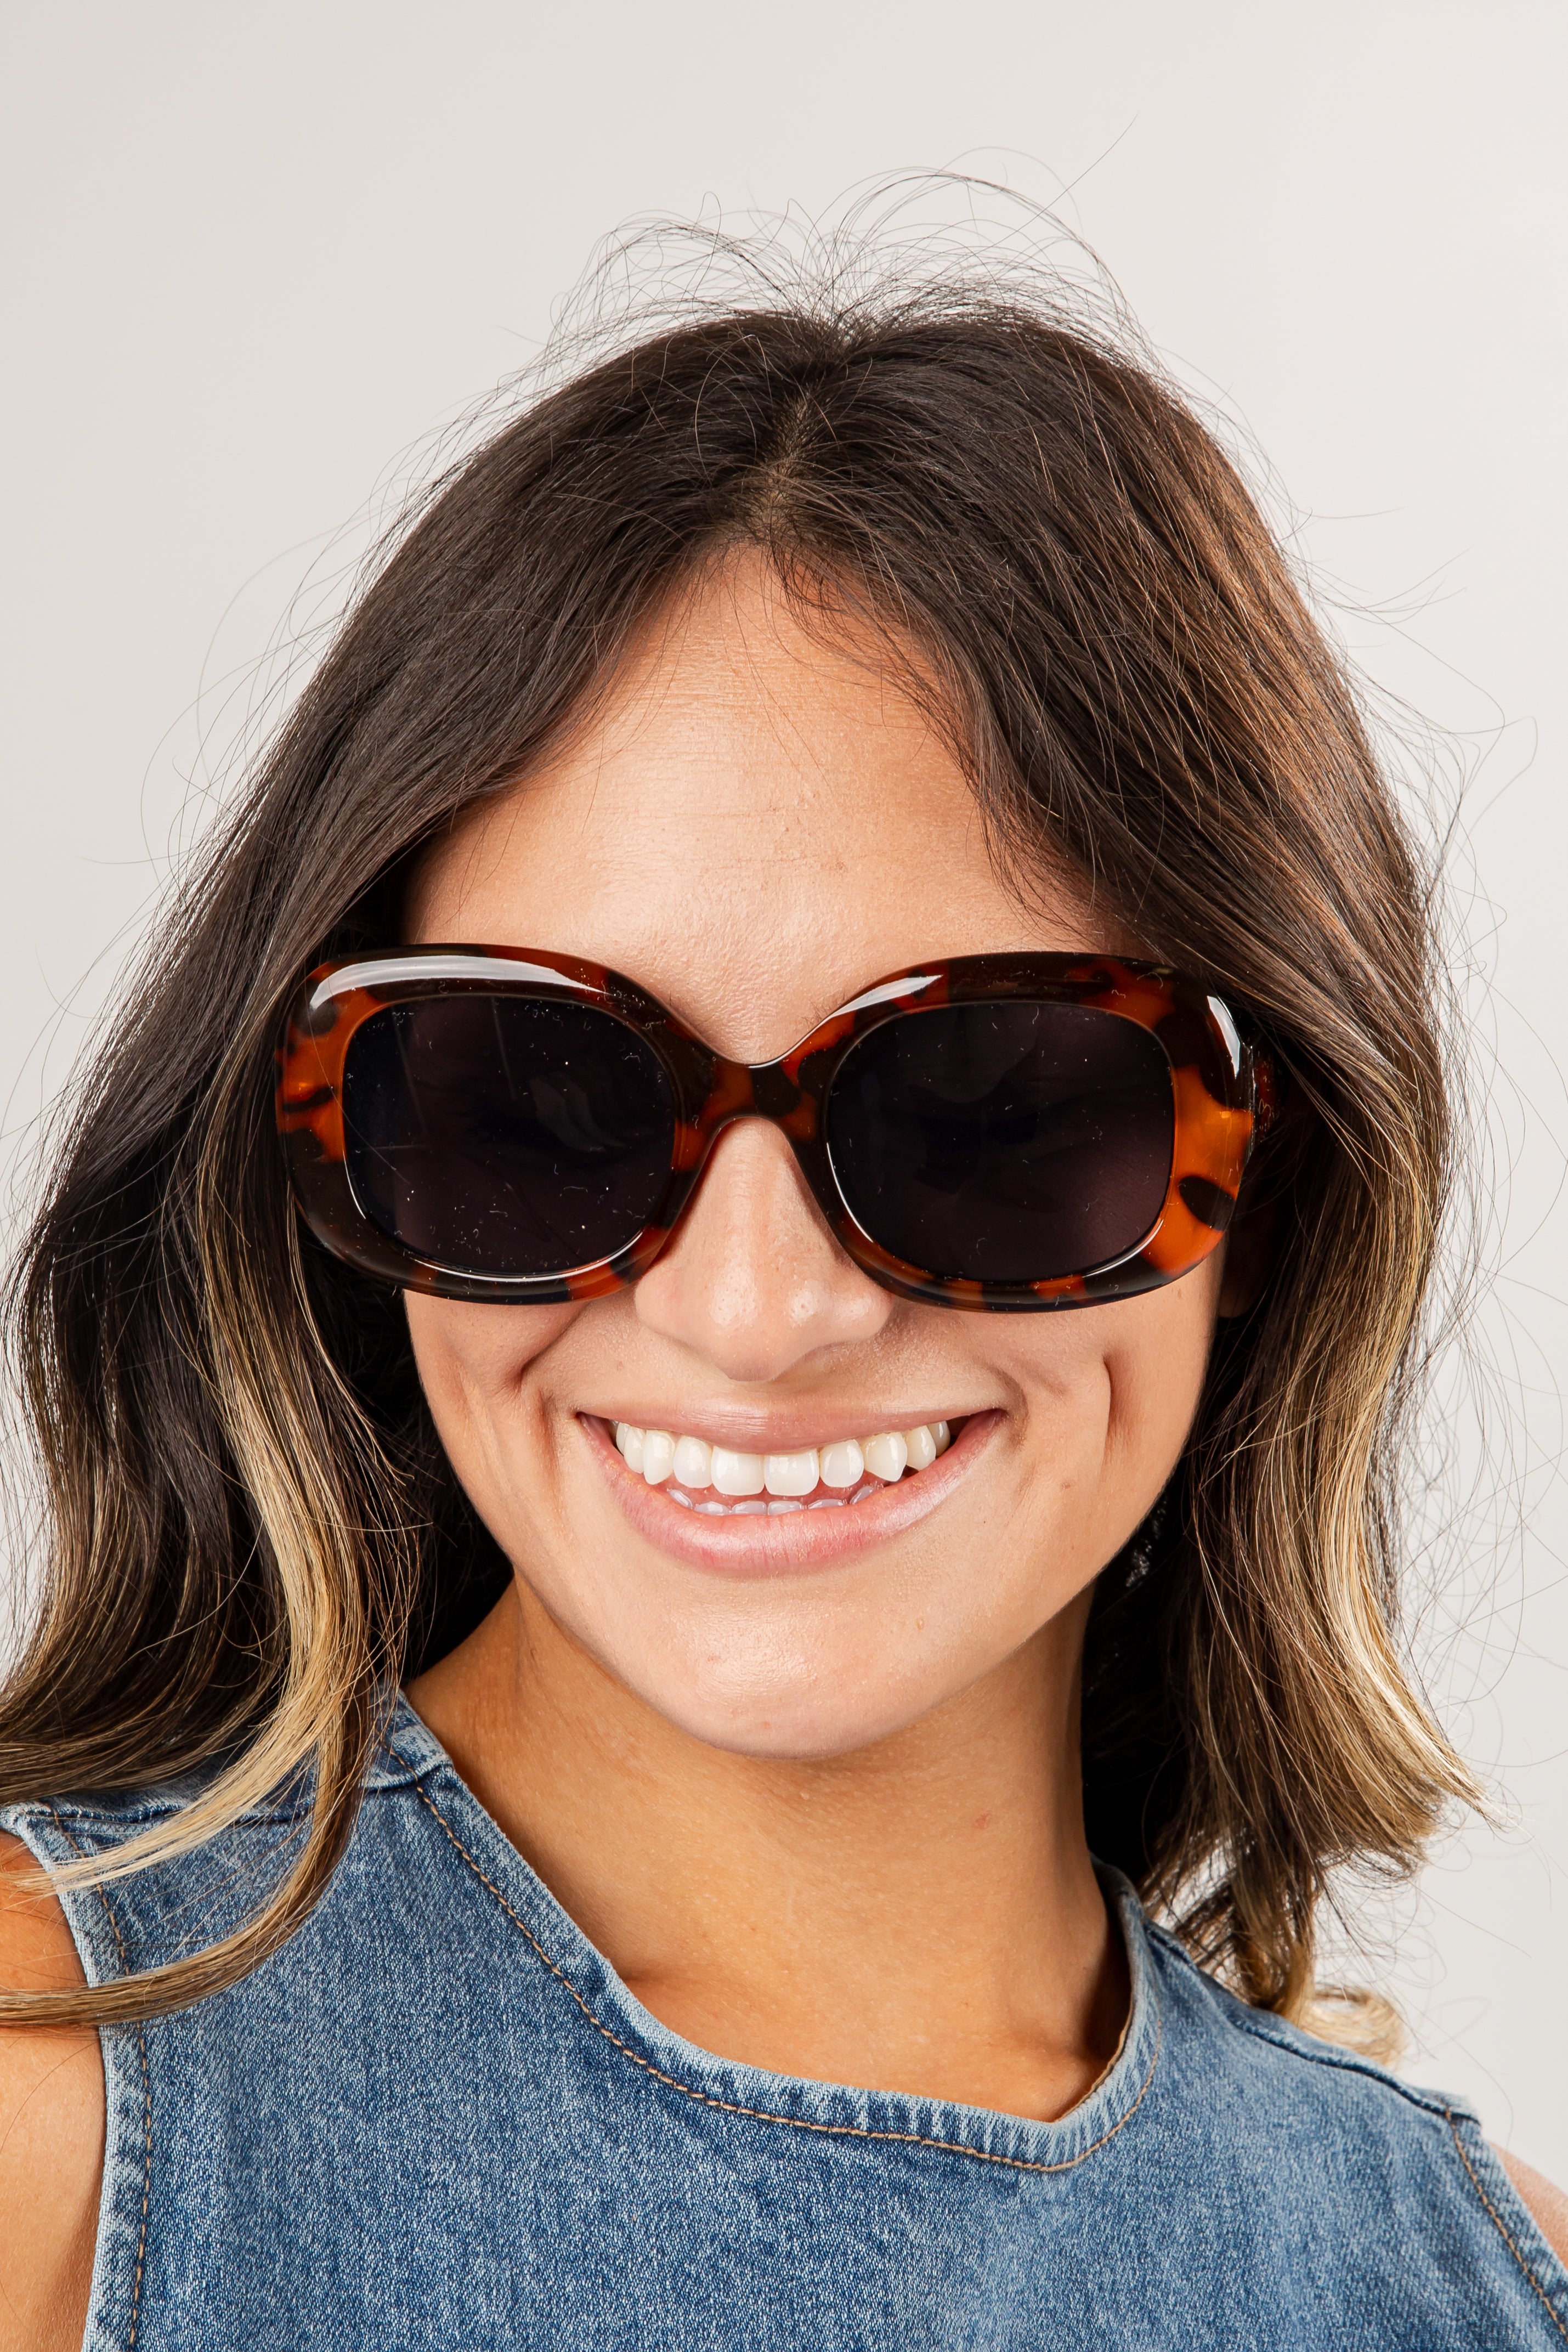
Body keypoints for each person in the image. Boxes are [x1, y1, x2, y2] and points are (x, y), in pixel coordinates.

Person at [1, 270, 1565, 2350]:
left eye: (993, 1109)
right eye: (543, 1101)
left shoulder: (1477, 2294)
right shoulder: (49, 2117)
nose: (754, 1310)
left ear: (1264, 1181)